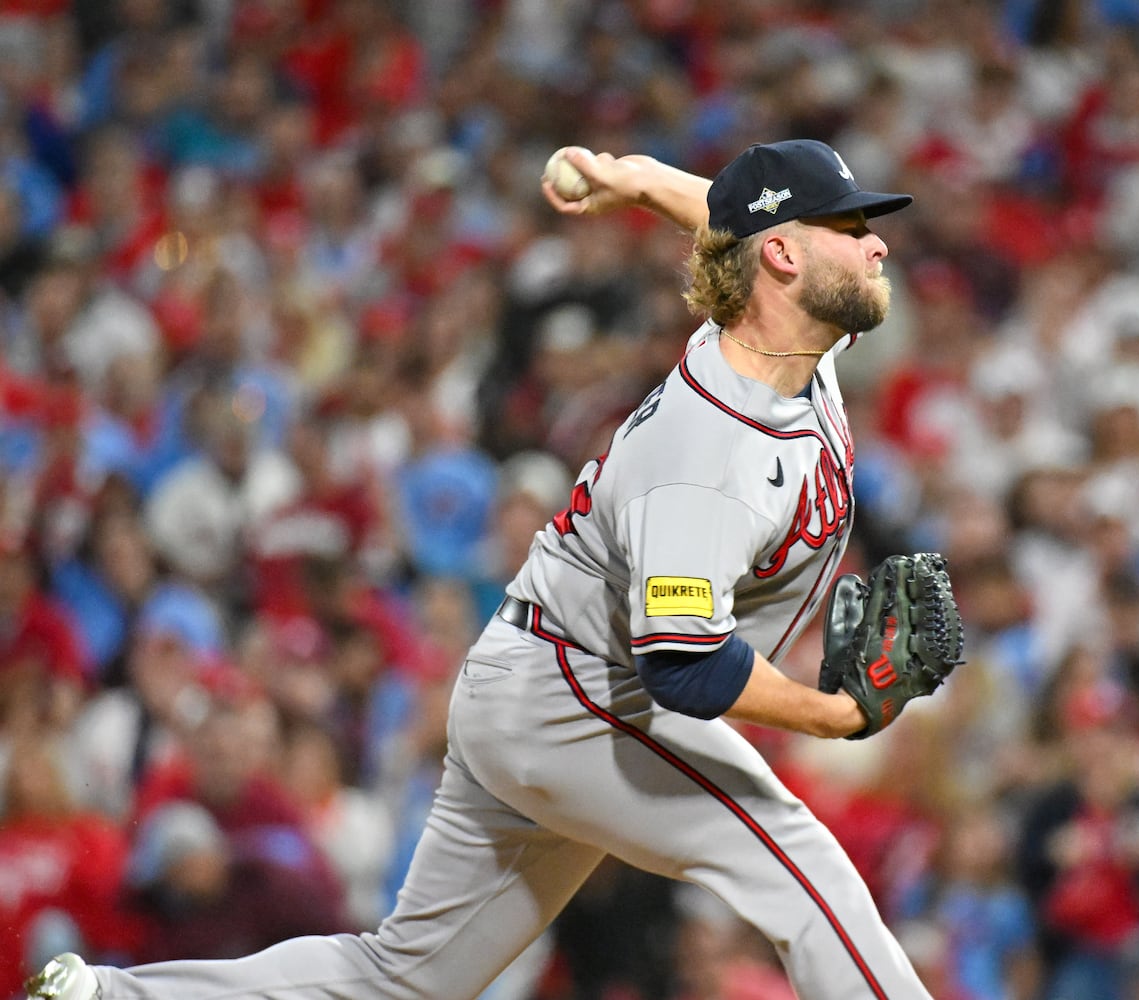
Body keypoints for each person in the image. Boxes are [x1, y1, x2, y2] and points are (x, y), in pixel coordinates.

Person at [29, 139, 939, 999]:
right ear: (785, 258)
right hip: (584, 699)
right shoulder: (712, 453)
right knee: (796, 859)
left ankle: (106, 994)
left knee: (408, 980)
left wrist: (633, 176)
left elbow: (730, 218)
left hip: (537, 682)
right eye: (852, 229)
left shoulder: (783, 335)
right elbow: (684, 666)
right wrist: (833, 713)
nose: (877, 244)